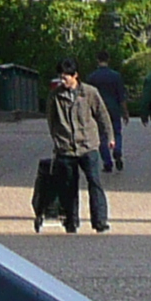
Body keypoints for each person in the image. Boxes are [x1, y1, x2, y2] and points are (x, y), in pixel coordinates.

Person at [42, 60, 116, 234]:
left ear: (75, 76)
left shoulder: (89, 93)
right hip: (66, 148)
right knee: (68, 187)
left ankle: (100, 221)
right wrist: (57, 140)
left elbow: (102, 115)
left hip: (88, 145)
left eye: (66, 77)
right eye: (61, 77)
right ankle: (71, 221)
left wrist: (109, 137)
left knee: (95, 183)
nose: (63, 81)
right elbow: (51, 120)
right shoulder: (55, 96)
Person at [84, 59, 129, 170]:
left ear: (97, 60)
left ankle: (107, 162)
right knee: (117, 132)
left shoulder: (92, 77)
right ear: (108, 60)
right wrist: (125, 112)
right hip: (114, 108)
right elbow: (121, 96)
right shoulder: (116, 76)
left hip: (98, 109)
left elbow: (87, 96)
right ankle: (117, 150)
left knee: (101, 136)